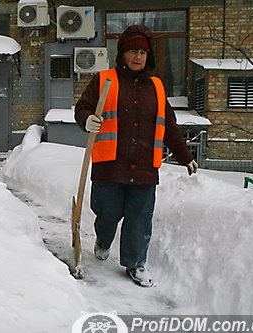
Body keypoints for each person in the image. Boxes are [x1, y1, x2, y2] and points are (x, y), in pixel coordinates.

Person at [74, 25, 198, 287]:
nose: (138, 56)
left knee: (139, 218)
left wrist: (185, 155)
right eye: (133, 50)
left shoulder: (157, 87)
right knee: (107, 213)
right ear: (122, 54)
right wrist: (87, 120)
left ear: (148, 55)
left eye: (142, 51)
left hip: (144, 168)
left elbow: (170, 126)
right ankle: (104, 239)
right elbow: (83, 106)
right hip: (110, 166)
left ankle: (135, 263)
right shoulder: (105, 79)